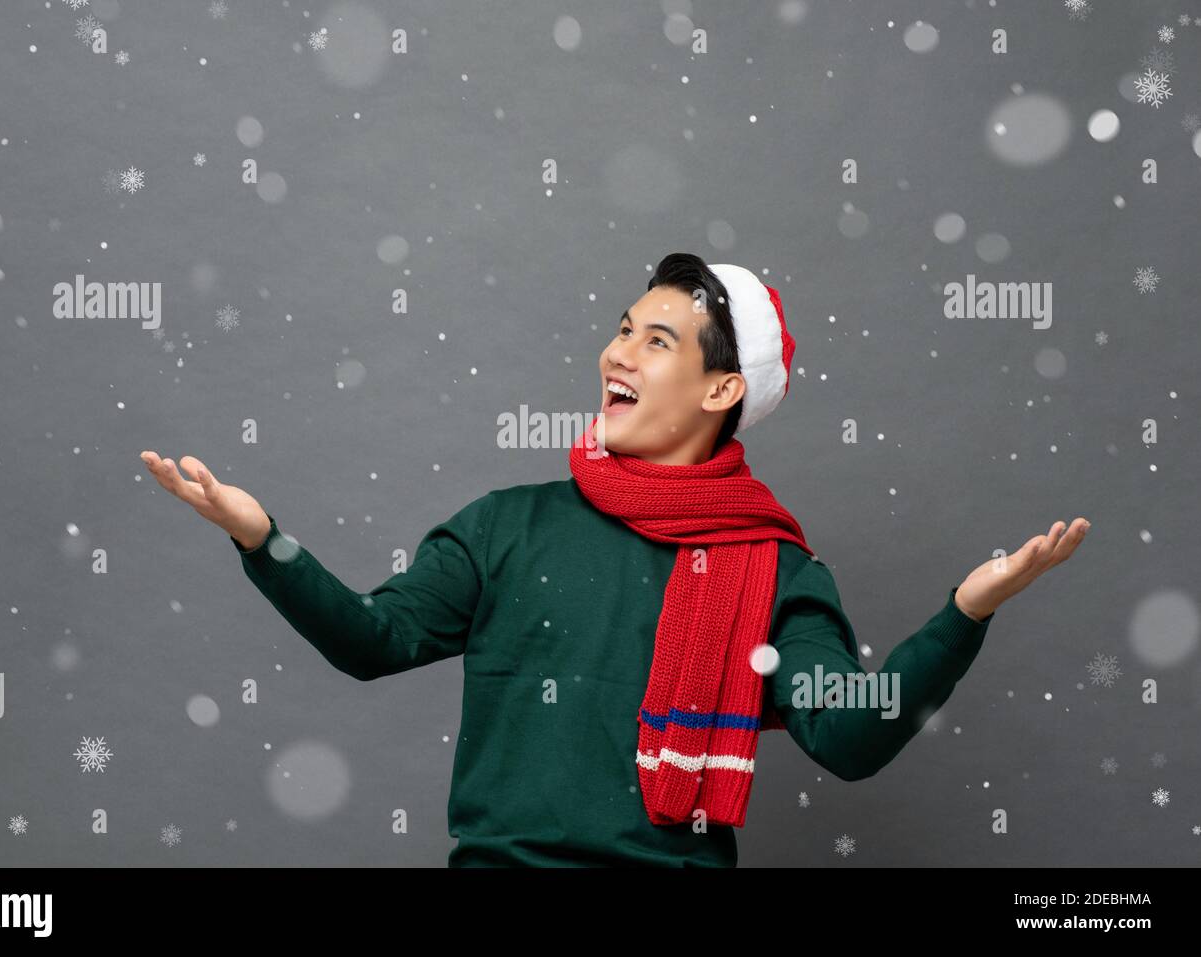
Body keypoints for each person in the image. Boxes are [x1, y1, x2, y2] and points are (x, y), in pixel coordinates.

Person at [139, 252, 1089, 866]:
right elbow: (372, 637)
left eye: (657, 338)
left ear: (723, 386)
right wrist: (266, 540)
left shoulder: (777, 568)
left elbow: (849, 738)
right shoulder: (506, 525)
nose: (618, 352)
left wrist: (962, 615)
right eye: (624, 327)